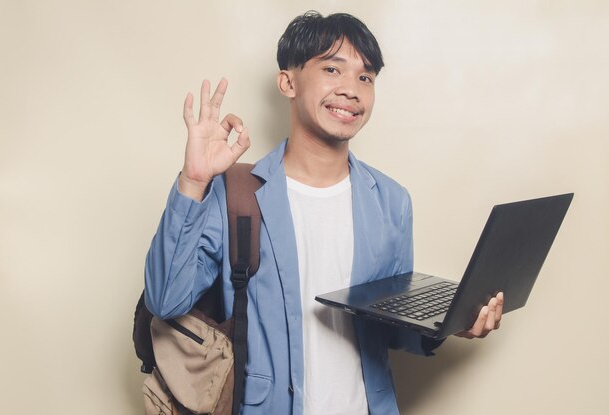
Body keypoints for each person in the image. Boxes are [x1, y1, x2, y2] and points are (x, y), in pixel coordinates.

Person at [144, 11, 504, 415]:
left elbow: (387, 326)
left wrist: (450, 323)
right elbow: (166, 300)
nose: (352, 90)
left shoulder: (391, 201)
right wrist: (193, 182)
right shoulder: (237, 194)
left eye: (365, 77)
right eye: (333, 68)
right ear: (288, 82)